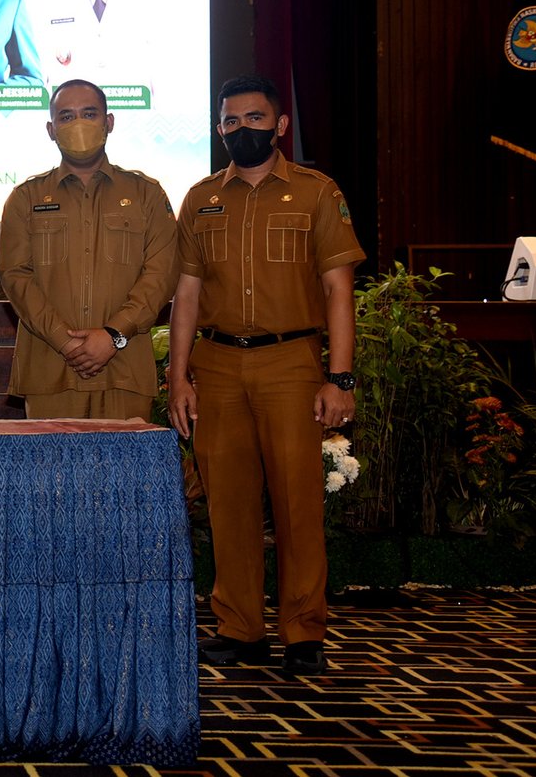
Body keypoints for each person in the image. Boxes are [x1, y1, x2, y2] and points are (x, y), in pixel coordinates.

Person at [167, 75, 365, 677]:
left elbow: (338, 289)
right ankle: (241, 628)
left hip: (291, 365)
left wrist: (341, 378)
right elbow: (187, 295)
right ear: (219, 127)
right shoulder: (201, 197)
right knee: (227, 505)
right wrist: (177, 379)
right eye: (230, 121)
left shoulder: (315, 192)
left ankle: (304, 633)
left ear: (279, 126)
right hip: (219, 365)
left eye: (255, 119)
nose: (241, 129)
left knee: (297, 505)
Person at [0, 79, 177, 421]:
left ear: (108, 122)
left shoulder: (146, 194)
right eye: (66, 117)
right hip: (51, 371)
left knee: (125, 475)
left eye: (89, 113)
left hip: (125, 369)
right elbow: (15, 277)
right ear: (51, 130)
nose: (78, 124)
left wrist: (113, 336)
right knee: (53, 475)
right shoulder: (25, 198)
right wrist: (64, 341)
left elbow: (161, 274)